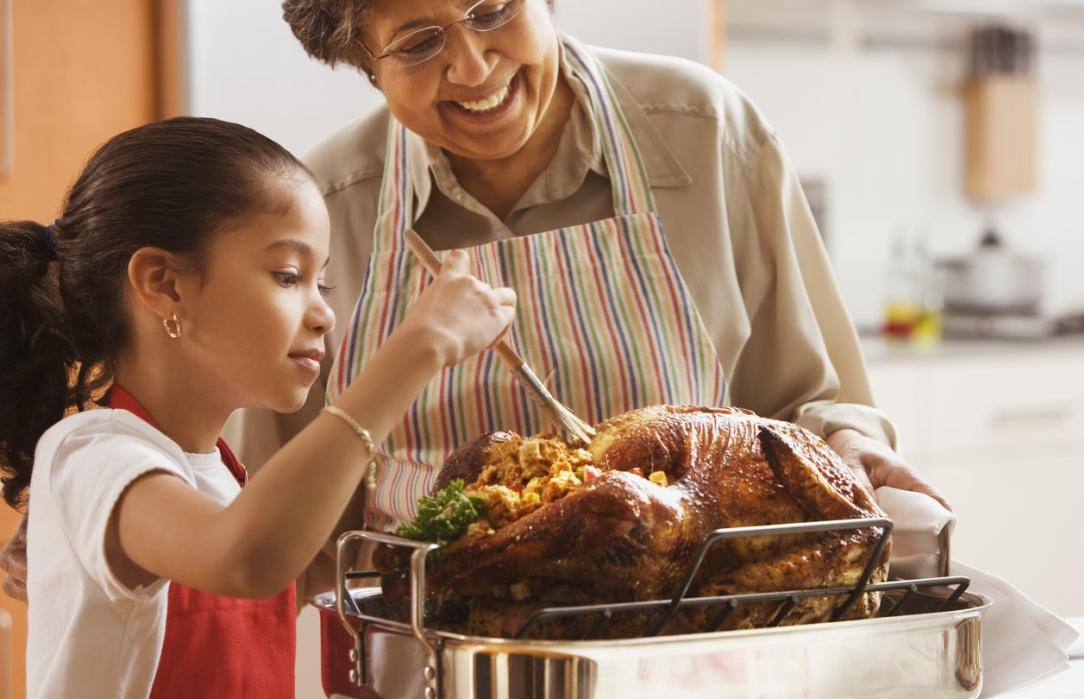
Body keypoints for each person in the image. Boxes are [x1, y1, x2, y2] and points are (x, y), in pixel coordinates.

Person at [261, 0, 948, 539]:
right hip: (429, 655)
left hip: (695, 637)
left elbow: (807, 407)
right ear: (361, 62)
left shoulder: (706, 133)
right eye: (419, 43)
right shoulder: (323, 209)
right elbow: (275, 508)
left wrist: (849, 442)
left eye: (495, 10)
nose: (473, 68)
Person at [0, 117, 514, 697]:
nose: (323, 314)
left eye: (324, 284)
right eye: (287, 275)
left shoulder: (220, 476)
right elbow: (245, 558)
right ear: (164, 284)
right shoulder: (92, 454)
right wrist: (417, 352)